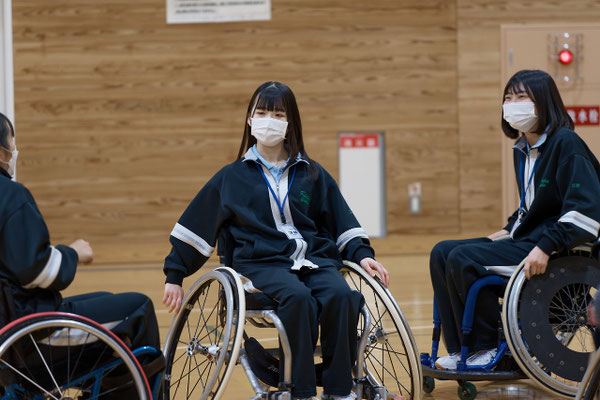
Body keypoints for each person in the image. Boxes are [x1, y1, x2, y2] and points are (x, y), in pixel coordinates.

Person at [162, 81, 390, 400]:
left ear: (290, 123)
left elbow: (342, 221)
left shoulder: (312, 174)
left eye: (278, 114)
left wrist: (362, 254)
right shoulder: (231, 178)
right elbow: (197, 225)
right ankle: (301, 391)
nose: (269, 120)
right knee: (298, 299)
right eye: (262, 113)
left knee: (343, 296)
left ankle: (340, 390)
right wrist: (175, 275)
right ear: (249, 120)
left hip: (314, 261)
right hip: (261, 264)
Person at [430, 69, 600, 370]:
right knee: (442, 252)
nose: (511, 104)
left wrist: (546, 246)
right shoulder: (522, 149)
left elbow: (586, 211)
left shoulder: (566, 143)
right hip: (530, 237)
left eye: (521, 97)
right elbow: (534, 206)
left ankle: (486, 349)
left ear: (543, 102)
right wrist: (508, 229)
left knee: (464, 258)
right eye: (507, 98)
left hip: (558, 247)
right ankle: (460, 350)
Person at [0, 112, 160, 353]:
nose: (14, 148)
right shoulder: (12, 197)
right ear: (1, 151)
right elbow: (38, 271)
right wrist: (73, 253)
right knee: (138, 308)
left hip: (11, 324)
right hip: (27, 333)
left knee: (105, 297)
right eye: (12, 141)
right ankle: (148, 380)